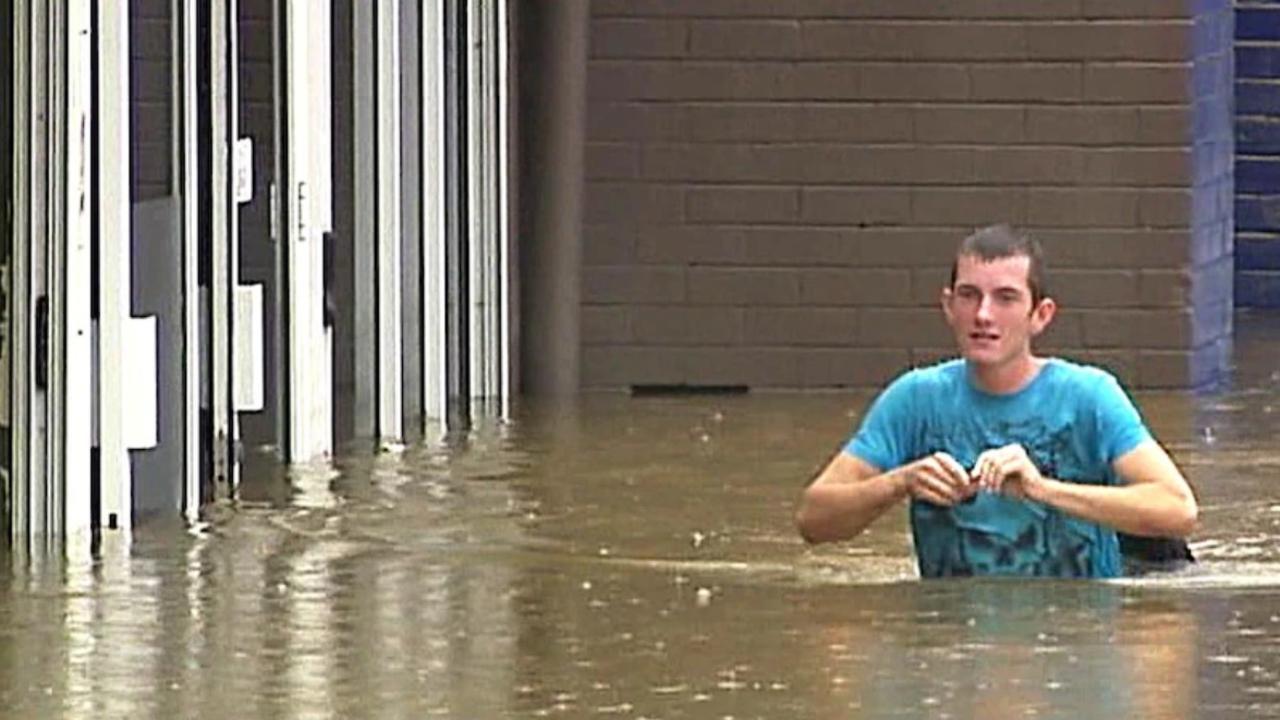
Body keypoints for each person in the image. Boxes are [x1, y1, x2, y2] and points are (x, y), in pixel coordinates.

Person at [794, 224, 1198, 578]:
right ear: (948, 307)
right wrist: (901, 481)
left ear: (1040, 315)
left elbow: (1177, 509)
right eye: (969, 296)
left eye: (1005, 298)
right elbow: (813, 520)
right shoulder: (914, 399)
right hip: (952, 645)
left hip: (1076, 644)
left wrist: (1042, 489)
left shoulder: (1089, 396)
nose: (983, 315)